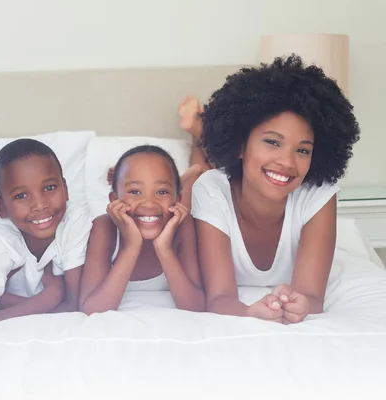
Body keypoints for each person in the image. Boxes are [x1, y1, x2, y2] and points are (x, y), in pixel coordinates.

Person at [190, 55, 360, 324]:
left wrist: (297, 305)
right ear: (240, 144)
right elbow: (219, 298)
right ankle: (192, 134)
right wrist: (250, 312)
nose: (287, 163)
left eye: (302, 150)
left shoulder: (317, 195)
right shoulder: (212, 191)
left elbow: (311, 297)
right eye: (272, 142)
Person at [0, 139, 92, 325]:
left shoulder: (75, 221)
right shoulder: (1, 238)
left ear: (65, 190)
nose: (40, 205)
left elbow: (75, 305)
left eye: (49, 188)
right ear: (1, 207)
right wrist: (50, 297)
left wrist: (8, 302)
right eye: (21, 196)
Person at [79, 145, 205, 314]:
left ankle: (185, 180)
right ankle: (182, 180)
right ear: (113, 200)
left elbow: (195, 306)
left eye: (161, 191)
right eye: (135, 191)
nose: (149, 202)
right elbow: (93, 309)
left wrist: (164, 249)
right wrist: (132, 245)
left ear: (177, 200)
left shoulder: (183, 226)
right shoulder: (104, 227)